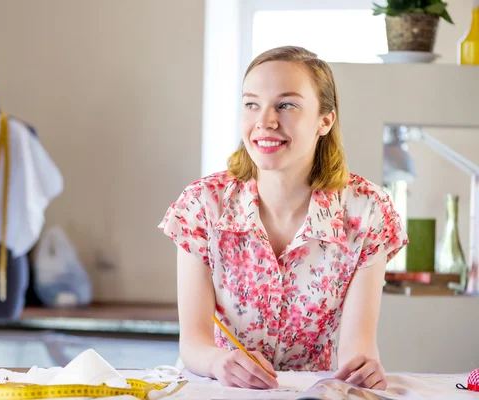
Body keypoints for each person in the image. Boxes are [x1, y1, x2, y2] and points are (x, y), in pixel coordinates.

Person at [158, 46, 408, 391]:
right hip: (217, 389)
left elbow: (357, 346)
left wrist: (362, 369)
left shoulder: (368, 211)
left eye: (286, 105)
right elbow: (193, 344)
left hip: (309, 393)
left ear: (325, 120)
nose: (265, 121)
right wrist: (220, 362)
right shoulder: (202, 204)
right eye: (251, 104)